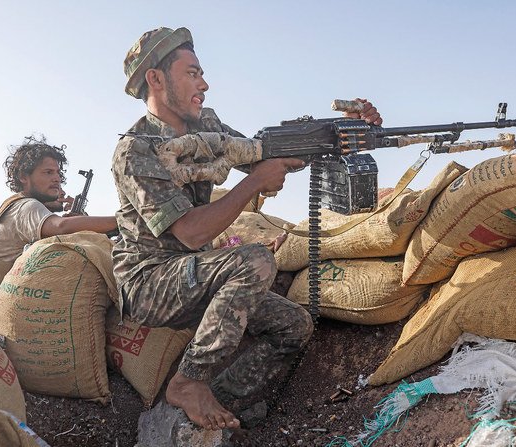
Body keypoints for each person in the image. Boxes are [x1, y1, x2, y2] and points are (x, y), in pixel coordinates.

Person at [112, 27, 383, 431]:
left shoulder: (205, 126)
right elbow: (190, 233)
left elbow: (266, 154)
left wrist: (339, 132)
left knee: (294, 326)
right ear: (155, 78)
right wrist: (255, 182)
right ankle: (188, 383)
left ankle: (215, 401)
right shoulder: (135, 150)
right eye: (192, 73)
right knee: (254, 261)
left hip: (195, 275)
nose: (204, 84)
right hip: (149, 283)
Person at [0, 138, 118, 334]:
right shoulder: (26, 206)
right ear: (24, 176)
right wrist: (124, 220)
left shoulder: (20, 205)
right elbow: (61, 227)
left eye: (57, 173)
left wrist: (74, 217)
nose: (56, 178)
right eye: (48, 172)